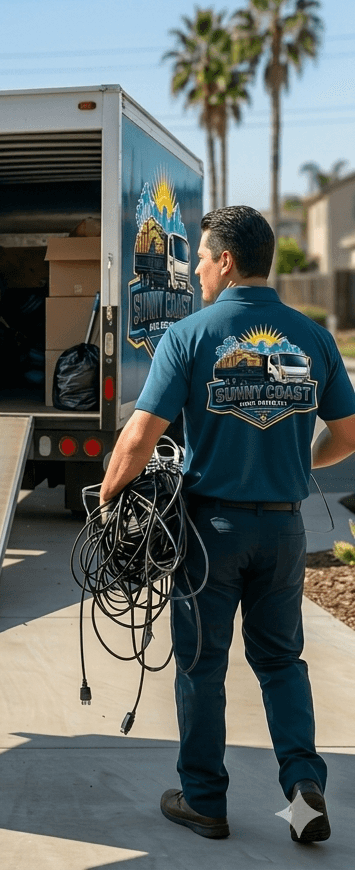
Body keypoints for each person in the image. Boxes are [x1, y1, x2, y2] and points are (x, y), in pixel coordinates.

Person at [99, 205, 355, 844]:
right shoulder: (313, 338)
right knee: (281, 661)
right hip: (283, 530)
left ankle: (204, 800)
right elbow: (348, 435)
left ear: (227, 261)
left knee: (201, 666)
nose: (197, 277)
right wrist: (301, 459)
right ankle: (302, 789)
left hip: (211, 533)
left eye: (203, 263)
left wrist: (108, 498)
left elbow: (139, 437)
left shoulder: (188, 336)